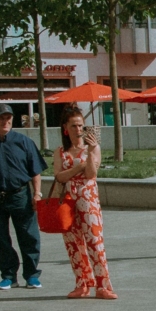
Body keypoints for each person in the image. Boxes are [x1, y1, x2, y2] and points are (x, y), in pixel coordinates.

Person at [0, 103, 44, 289]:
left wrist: (37, 193)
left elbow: (35, 170)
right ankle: (8, 276)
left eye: (8, 118)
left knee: (29, 236)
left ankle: (31, 274)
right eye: (1, 118)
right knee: (0, 238)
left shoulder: (24, 142)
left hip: (20, 195)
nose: (5, 121)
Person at [53, 109, 114, 299]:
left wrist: (88, 154)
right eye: (74, 125)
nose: (78, 129)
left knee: (95, 241)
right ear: (65, 128)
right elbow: (59, 176)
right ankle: (82, 283)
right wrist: (76, 168)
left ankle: (103, 285)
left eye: (81, 125)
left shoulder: (92, 149)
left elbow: (90, 174)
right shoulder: (60, 152)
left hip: (88, 200)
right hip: (68, 201)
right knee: (73, 243)